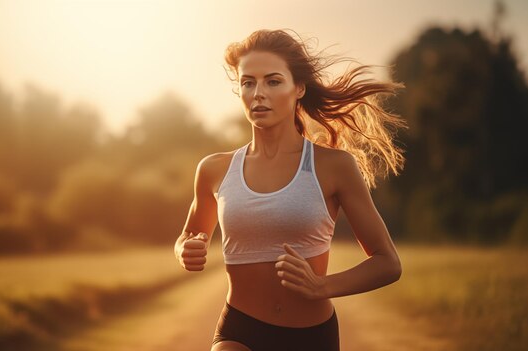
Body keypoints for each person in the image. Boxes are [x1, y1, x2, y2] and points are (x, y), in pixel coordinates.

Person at [174, 29, 406, 351]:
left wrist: (321, 286)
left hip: (311, 337)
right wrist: (185, 250)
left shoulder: (334, 166)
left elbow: (387, 263)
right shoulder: (214, 169)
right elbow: (189, 236)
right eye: (247, 82)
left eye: (273, 81)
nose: (258, 93)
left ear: (298, 88)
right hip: (239, 330)